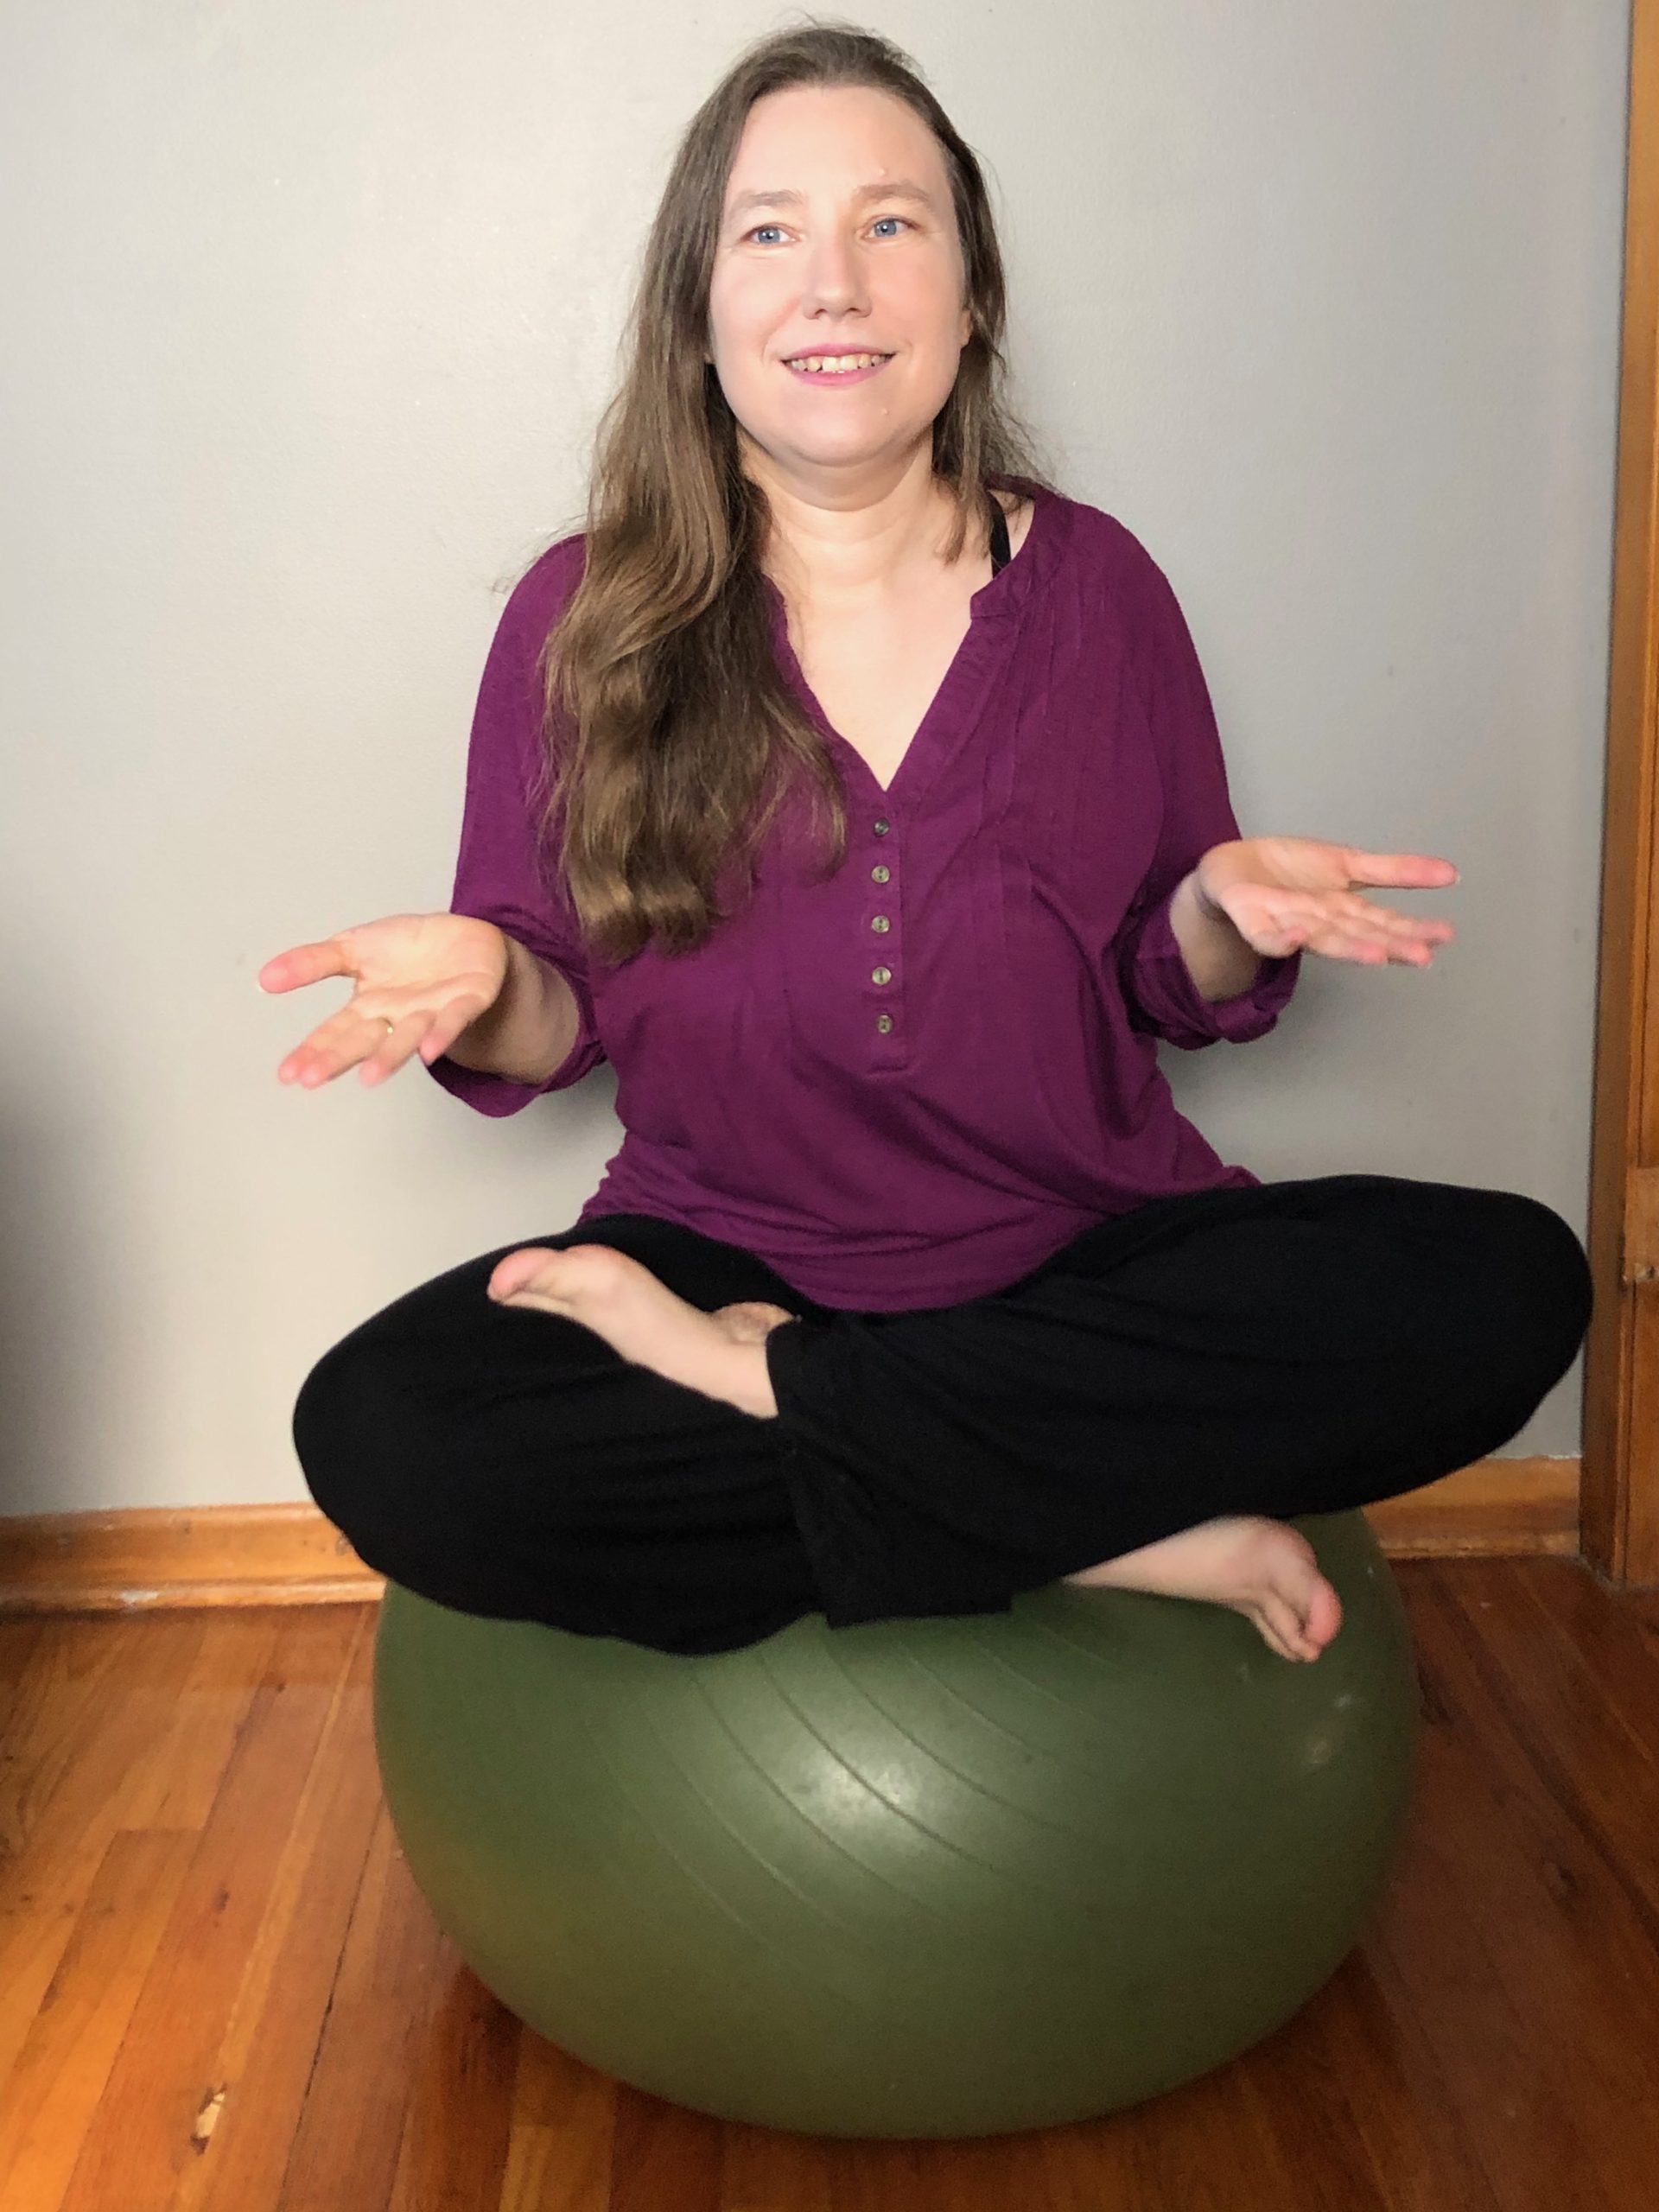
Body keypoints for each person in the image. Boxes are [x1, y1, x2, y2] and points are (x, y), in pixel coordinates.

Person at [264, 24, 1593, 1664]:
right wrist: (488, 977)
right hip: (716, 1244)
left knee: (1513, 1282)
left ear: (970, 302)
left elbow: (1160, 987)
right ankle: (1116, 1531)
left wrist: (1220, 912)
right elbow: (562, 1020)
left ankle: (771, 1392)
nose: (834, 282)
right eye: (770, 233)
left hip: (1077, 1257)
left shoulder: (1101, 589)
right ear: (698, 311)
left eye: (892, 225)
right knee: (390, 1435)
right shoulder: (582, 616)